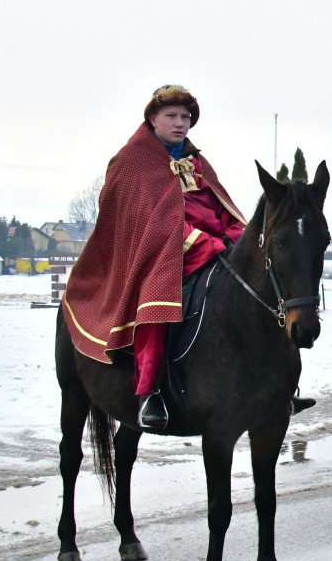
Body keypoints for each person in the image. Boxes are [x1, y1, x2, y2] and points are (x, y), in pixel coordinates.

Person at [62, 85, 246, 429]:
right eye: (172, 116)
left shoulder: (197, 161)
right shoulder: (132, 160)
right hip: (162, 255)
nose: (180, 123)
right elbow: (142, 221)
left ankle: (273, 387)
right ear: (153, 119)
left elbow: (221, 206)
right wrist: (203, 242)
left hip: (217, 249)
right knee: (157, 304)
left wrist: (238, 238)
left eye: (186, 117)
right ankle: (150, 393)